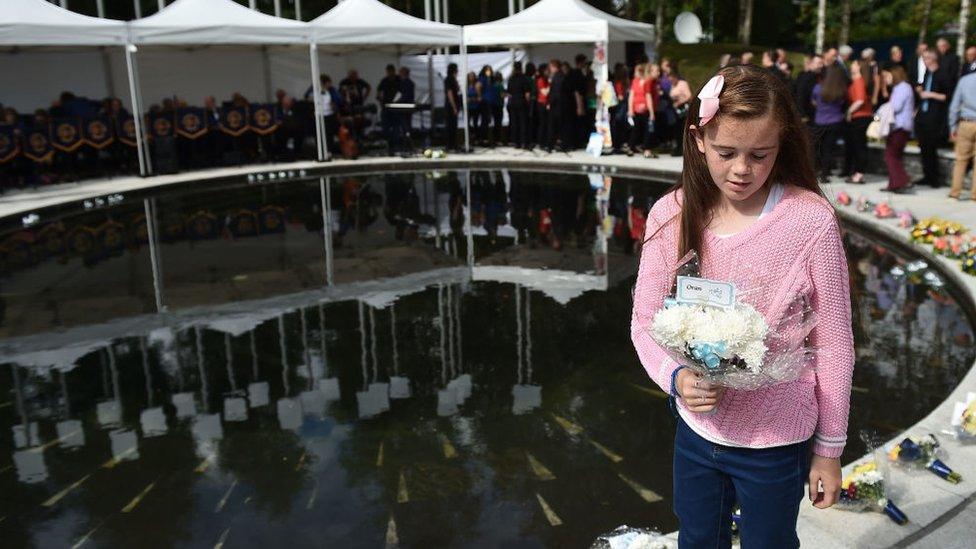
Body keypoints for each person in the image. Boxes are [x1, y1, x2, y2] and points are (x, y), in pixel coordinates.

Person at [631, 64, 854, 549]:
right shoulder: (671, 213)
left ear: (782, 147)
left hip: (778, 439)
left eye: (760, 155)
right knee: (697, 538)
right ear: (698, 141)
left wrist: (829, 448)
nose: (741, 169)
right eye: (726, 152)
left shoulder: (809, 221)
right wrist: (676, 376)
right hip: (697, 431)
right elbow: (645, 321)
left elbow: (833, 343)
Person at [914, 50, 950, 188]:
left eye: (927, 58)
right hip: (923, 115)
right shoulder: (926, 74)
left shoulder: (942, 75)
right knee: (923, 148)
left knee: (931, 148)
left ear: (934, 59)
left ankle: (934, 179)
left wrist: (930, 94)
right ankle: (927, 176)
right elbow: (923, 94)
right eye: (923, 58)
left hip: (934, 117)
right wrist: (920, 92)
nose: (924, 60)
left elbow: (946, 96)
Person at [882, 66, 915, 193]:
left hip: (900, 126)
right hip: (902, 126)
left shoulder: (901, 88)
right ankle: (893, 184)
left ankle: (903, 181)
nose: (886, 79)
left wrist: (884, 108)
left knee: (890, 155)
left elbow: (896, 107)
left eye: (888, 76)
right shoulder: (903, 87)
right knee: (895, 155)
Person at [812, 65, 847, 180]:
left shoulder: (818, 88)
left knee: (818, 149)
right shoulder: (840, 90)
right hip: (835, 121)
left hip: (820, 121)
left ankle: (816, 170)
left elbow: (814, 102)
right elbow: (843, 104)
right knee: (829, 149)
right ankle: (825, 174)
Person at [947, 68, 976, 200]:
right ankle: (974, 195)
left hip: (965, 123)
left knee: (961, 160)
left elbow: (954, 106)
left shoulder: (964, 80)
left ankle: (955, 192)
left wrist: (952, 126)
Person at [844, 59, 874, 184]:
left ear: (860, 67)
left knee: (859, 146)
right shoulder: (857, 81)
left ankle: (859, 174)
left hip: (861, 117)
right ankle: (857, 172)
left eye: (855, 63)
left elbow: (860, 100)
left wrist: (849, 112)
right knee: (858, 146)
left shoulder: (859, 81)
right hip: (860, 117)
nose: (852, 64)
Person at [627, 64, 655, 158]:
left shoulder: (646, 82)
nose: (636, 73)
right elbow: (631, 96)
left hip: (645, 109)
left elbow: (648, 96)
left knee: (647, 130)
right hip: (636, 110)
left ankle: (646, 148)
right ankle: (631, 147)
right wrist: (630, 109)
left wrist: (651, 111)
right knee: (635, 129)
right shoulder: (635, 82)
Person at [506, 61, 532, 149]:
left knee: (515, 123)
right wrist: (528, 103)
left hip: (513, 103)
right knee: (523, 123)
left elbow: (509, 93)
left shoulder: (511, 79)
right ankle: (524, 142)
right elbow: (527, 93)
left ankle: (516, 143)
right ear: (521, 68)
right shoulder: (524, 78)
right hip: (521, 103)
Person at [377, 64, 402, 154]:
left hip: (396, 107)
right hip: (386, 107)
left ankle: (395, 145)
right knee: (385, 128)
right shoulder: (384, 81)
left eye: (391, 71)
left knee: (396, 127)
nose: (389, 73)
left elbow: (402, 92)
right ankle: (389, 144)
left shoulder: (399, 79)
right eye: (388, 72)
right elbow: (379, 93)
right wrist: (381, 102)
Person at [668, 69, 692, 156]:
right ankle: (677, 149)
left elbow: (689, 95)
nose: (671, 80)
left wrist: (679, 102)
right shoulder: (672, 86)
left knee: (683, 130)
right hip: (676, 112)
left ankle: (683, 150)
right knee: (676, 131)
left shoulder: (682, 84)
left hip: (683, 110)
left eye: (672, 78)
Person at [794, 54, 822, 125]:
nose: (821, 66)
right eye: (819, 63)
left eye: (822, 63)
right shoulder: (806, 78)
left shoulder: (818, 76)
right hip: (806, 116)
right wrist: (802, 115)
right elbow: (800, 96)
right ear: (812, 63)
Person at [546, 59, 567, 153]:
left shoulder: (557, 76)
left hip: (556, 106)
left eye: (550, 67)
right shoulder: (561, 76)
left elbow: (556, 92)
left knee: (553, 126)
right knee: (560, 126)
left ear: (554, 67)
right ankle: (560, 144)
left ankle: (551, 145)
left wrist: (550, 102)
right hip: (560, 105)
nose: (550, 69)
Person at [478, 65, 502, 146]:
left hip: (493, 102)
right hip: (486, 101)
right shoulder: (482, 78)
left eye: (490, 70)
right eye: (487, 70)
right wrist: (480, 96)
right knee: (485, 120)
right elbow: (478, 86)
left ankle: (494, 139)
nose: (489, 71)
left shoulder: (492, 79)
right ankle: (484, 139)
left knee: (494, 121)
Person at [444, 63, 461, 151]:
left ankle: (453, 144)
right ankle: (450, 145)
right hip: (451, 106)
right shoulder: (449, 79)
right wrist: (454, 107)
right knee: (450, 126)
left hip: (453, 105)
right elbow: (450, 94)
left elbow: (457, 89)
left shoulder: (453, 79)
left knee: (454, 125)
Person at [535, 63, 551, 150]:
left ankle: (545, 142)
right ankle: (541, 142)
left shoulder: (547, 80)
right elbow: (544, 92)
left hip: (546, 104)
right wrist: (551, 85)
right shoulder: (540, 80)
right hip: (541, 104)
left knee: (546, 124)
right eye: (546, 70)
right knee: (543, 124)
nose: (548, 71)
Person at [466, 71, 483, 144]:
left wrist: (473, 99)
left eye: (472, 76)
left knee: (475, 123)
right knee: (468, 123)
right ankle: (470, 137)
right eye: (470, 76)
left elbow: (479, 98)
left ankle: (477, 138)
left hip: (475, 107)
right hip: (468, 108)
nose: (471, 78)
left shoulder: (477, 85)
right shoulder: (466, 86)